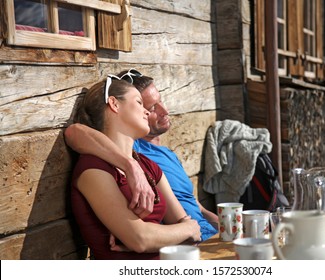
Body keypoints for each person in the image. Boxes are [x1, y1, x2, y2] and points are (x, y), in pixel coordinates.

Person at [65, 69, 219, 241]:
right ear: (114, 104)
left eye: (160, 102)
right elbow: (73, 132)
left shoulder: (150, 162)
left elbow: (190, 226)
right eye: (143, 104)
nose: (162, 111)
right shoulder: (100, 165)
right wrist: (129, 165)